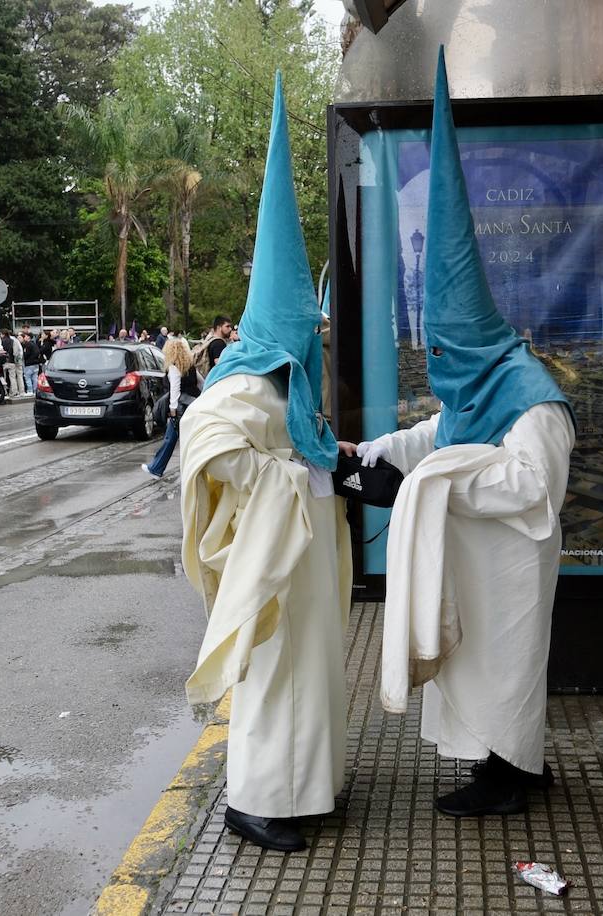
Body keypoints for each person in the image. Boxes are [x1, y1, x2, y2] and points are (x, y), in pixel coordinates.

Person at [360, 51, 575, 818]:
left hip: (511, 566)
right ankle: (494, 764)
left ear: (475, 344)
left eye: (446, 350)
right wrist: (384, 452)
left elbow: (532, 484)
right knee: (478, 668)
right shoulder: (481, 386)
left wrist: (435, 480)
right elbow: (445, 432)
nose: (439, 365)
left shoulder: (532, 395)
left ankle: (515, 778)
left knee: (509, 667)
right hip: (474, 562)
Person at [179, 74, 351, 854]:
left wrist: (329, 460)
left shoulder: (289, 376)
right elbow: (206, 435)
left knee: (307, 674)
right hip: (276, 553)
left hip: (303, 548)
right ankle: (254, 801)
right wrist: (276, 481)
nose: (318, 332)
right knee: (275, 675)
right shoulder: (251, 375)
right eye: (308, 324)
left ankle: (307, 789)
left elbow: (298, 441)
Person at [141, 337, 201, 479]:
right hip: (193, 404)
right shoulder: (190, 365)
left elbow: (175, 390)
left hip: (180, 407)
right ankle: (157, 467)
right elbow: (201, 382)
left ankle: (156, 468)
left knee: (170, 439)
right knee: (187, 439)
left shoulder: (173, 367)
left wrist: (172, 410)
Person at [0, 327, 17, 395]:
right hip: (12, 360)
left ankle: (5, 392)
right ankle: (14, 391)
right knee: (12, 377)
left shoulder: (2, 341)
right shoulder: (12, 341)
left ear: (3, 334)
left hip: (4, 361)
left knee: (3, 377)